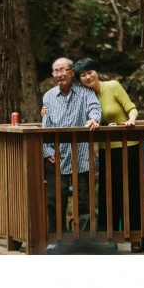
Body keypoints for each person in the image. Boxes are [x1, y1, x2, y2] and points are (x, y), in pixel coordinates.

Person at [75, 58, 142, 253]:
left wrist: (131, 120)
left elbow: (131, 107)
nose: (88, 77)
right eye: (83, 75)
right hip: (106, 149)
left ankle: (135, 237)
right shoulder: (86, 96)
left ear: (97, 72)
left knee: (131, 192)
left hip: (128, 145)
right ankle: (110, 238)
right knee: (108, 194)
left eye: (90, 72)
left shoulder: (112, 86)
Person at [42, 57, 101, 249]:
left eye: (63, 70)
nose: (59, 75)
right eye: (55, 71)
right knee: (54, 200)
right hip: (56, 157)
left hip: (81, 155)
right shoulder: (48, 97)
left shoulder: (85, 93)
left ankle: (83, 241)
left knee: (84, 199)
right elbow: (46, 126)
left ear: (71, 72)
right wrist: (47, 151)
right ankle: (57, 240)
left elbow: (95, 107)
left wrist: (93, 119)